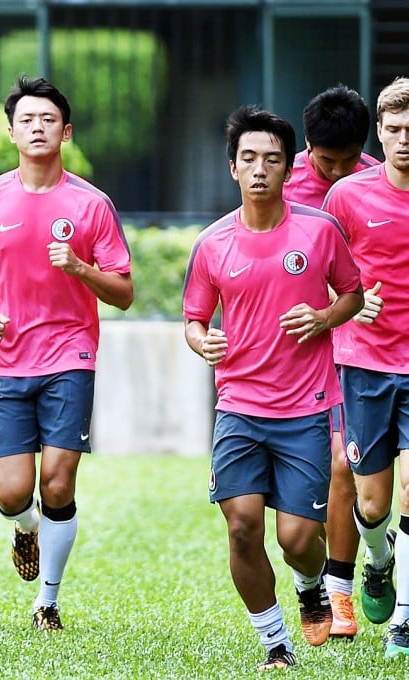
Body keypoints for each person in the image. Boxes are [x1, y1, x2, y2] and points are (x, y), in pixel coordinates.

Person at [0, 75, 133, 632]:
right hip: (5, 362)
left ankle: (46, 602)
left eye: (48, 119)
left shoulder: (91, 204)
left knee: (57, 480)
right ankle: (24, 526)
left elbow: (123, 293)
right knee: (12, 492)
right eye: (26, 119)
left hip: (70, 356)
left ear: (66, 132)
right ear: (10, 132)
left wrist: (80, 267)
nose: (37, 127)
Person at [183, 105, 363, 670]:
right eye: (249, 159)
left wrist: (324, 319)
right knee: (241, 525)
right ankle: (274, 642)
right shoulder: (213, 243)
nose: (260, 169)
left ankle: (310, 587)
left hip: (307, 410)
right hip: (238, 408)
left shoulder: (320, 230)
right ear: (233, 168)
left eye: (273, 160)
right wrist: (201, 341)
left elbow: (352, 295)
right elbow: (193, 317)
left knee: (295, 539)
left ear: (290, 168)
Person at [282, 84, 379, 641]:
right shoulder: (280, 179)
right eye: (327, 161)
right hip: (294, 352)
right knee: (307, 482)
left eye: (350, 160)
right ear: (308, 147)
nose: (340, 173)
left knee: (347, 466)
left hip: (357, 344)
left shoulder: (376, 180)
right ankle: (316, 582)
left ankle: (340, 596)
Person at [322, 76, 409, 658]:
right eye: (396, 131)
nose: (406, 141)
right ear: (379, 133)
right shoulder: (348, 198)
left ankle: (405, 618)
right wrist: (355, 305)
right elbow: (322, 278)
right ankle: (379, 563)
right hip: (366, 364)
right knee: (372, 505)